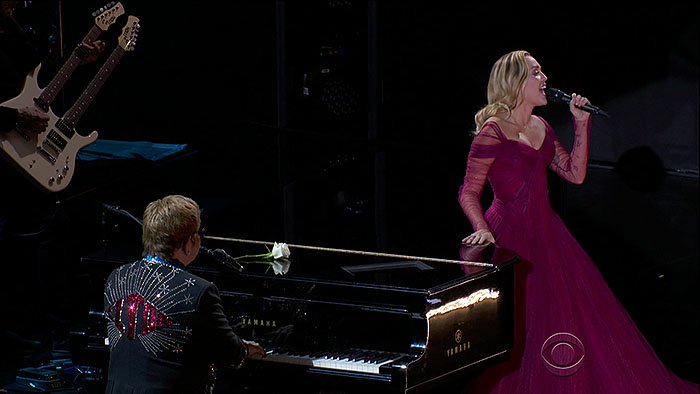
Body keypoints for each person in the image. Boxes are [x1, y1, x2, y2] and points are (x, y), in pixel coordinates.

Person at [458, 50, 698, 393]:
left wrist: (581, 124)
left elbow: (574, 173)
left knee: (566, 319)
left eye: (542, 72)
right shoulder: (492, 132)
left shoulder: (541, 126)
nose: (545, 80)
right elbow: (469, 191)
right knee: (524, 325)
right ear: (514, 82)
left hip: (548, 233)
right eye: (536, 73)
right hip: (509, 237)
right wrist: (481, 228)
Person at [0, 0, 105, 360]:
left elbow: (37, 80)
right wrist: (11, 119)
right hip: (6, 145)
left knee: (32, 242)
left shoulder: (13, 28)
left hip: (18, 154)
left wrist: (76, 58)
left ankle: (27, 330)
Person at [103, 194, 267, 393]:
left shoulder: (116, 277)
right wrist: (247, 348)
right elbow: (230, 354)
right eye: (197, 233)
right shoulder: (199, 290)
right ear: (190, 242)